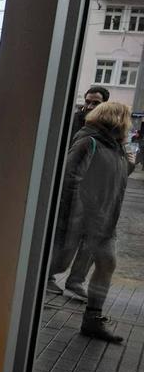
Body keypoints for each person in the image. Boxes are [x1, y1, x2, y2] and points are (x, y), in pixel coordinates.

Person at [48, 102, 135, 342]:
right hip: (85, 220)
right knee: (58, 263)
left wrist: (128, 158)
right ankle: (30, 295)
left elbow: (119, 177)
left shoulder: (116, 147)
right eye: (128, 119)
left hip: (106, 221)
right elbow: (69, 179)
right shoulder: (89, 141)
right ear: (118, 119)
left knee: (107, 264)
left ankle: (92, 320)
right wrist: (76, 216)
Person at [47, 85, 110, 299]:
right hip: (73, 188)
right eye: (88, 101)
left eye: (96, 103)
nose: (90, 106)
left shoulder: (108, 127)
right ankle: (48, 277)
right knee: (64, 236)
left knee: (90, 240)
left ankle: (75, 281)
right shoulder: (73, 121)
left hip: (96, 192)